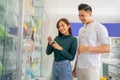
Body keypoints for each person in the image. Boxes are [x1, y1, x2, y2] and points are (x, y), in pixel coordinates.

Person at [72, 3, 110, 80]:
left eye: (83, 15)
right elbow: (79, 50)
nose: (80, 18)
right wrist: (75, 66)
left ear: (90, 14)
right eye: (79, 15)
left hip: (92, 68)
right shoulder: (81, 30)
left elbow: (107, 48)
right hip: (79, 67)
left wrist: (86, 49)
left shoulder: (100, 27)